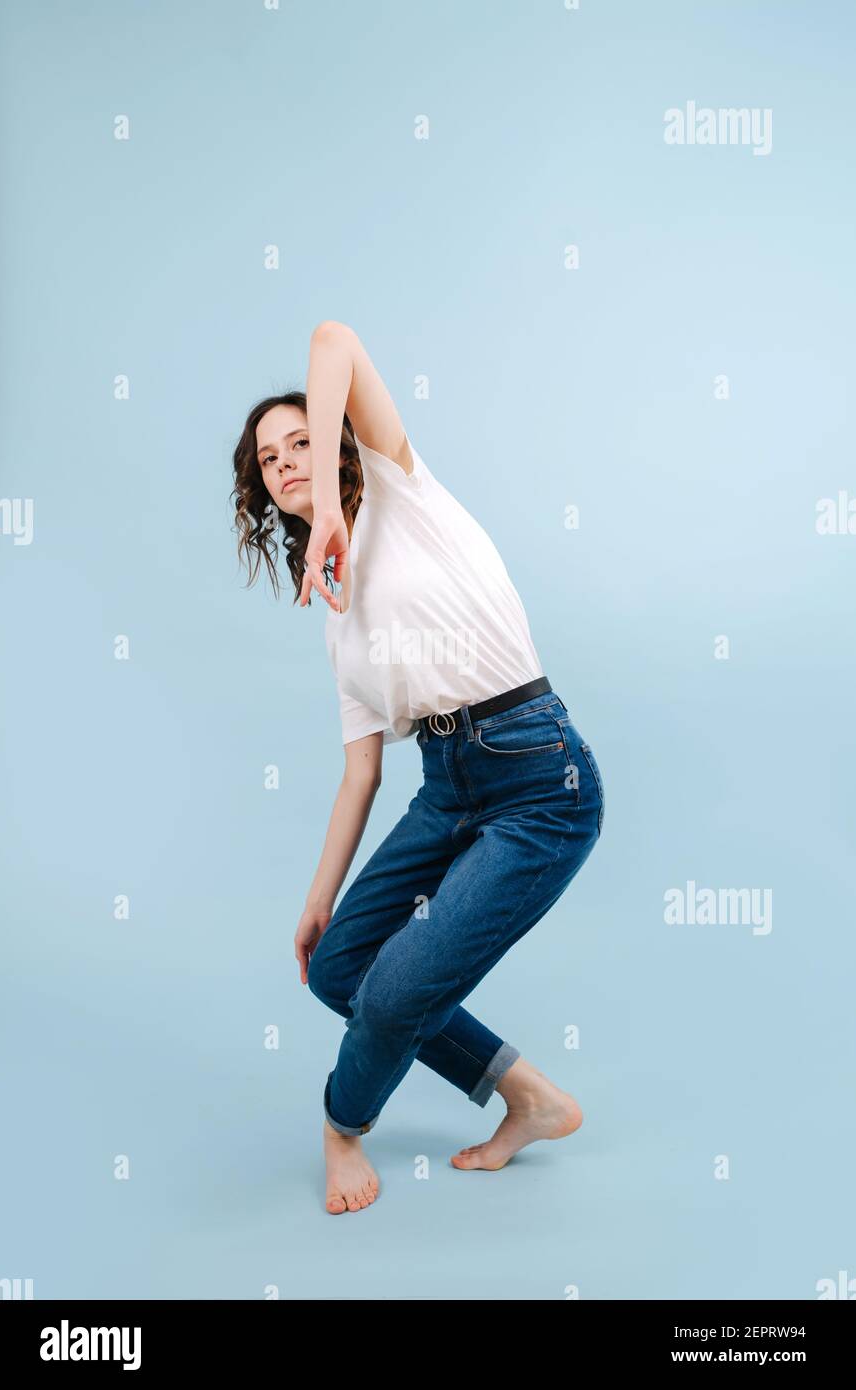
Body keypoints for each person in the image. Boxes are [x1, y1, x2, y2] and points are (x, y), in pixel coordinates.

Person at [231, 321, 605, 1214]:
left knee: (396, 989)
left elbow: (332, 339)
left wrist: (333, 505)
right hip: (447, 789)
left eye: (301, 442)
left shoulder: (402, 489)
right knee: (338, 970)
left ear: (337, 444)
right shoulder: (336, 613)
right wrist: (319, 899)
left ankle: (342, 1125)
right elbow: (360, 774)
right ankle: (528, 1096)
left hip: (537, 781)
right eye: (269, 459)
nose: (285, 463)